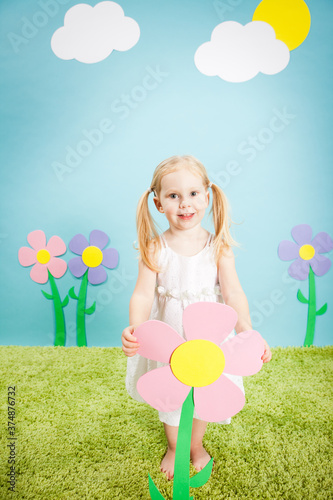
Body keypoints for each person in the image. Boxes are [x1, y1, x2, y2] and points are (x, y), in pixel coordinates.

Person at [121, 154, 272, 480]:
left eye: (192, 194)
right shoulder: (154, 248)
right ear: (159, 203)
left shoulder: (218, 246)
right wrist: (135, 327)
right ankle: (175, 446)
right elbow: (143, 294)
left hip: (209, 339)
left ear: (207, 195)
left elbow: (233, 294)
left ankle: (196, 444)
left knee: (205, 389)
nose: (184, 203)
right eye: (173, 195)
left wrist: (246, 328)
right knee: (173, 394)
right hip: (170, 342)